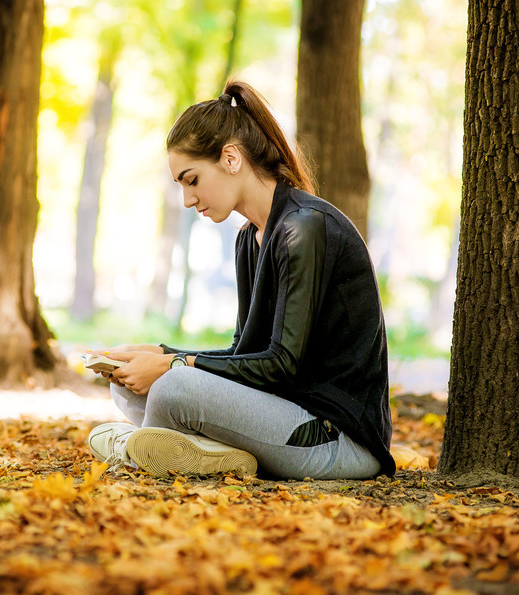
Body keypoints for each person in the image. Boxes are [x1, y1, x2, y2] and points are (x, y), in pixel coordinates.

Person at [85, 80, 395, 480]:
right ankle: (205, 452)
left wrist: (170, 364)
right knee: (126, 384)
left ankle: (141, 445)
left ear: (231, 158)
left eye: (191, 179)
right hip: (283, 413)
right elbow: (245, 350)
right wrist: (160, 351)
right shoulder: (250, 238)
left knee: (170, 388)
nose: (188, 200)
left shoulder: (305, 228)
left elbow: (281, 364)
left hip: (335, 439)